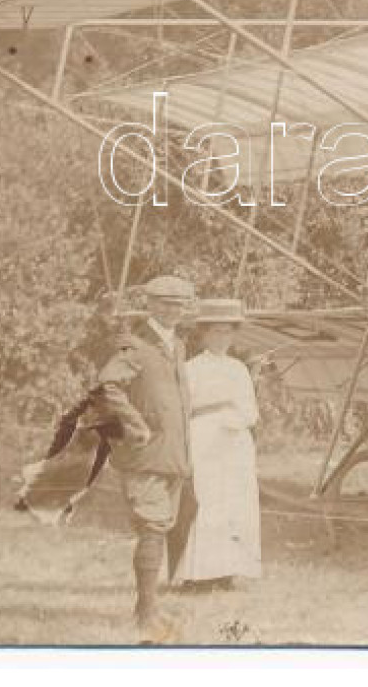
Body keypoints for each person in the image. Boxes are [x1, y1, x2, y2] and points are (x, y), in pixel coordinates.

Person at [93, 274, 195, 644]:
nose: (173, 310)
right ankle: (147, 612)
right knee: (152, 528)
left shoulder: (179, 346)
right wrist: (133, 422)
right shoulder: (133, 345)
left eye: (180, 304)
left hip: (173, 454)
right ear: (150, 304)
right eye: (165, 302)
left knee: (161, 526)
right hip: (146, 453)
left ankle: (147, 607)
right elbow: (108, 385)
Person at [172, 299, 262, 589]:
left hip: (235, 443)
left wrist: (237, 420)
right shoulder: (190, 368)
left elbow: (251, 410)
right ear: (203, 334)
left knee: (233, 505)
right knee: (205, 503)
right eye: (215, 332)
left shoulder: (239, 369)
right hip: (204, 439)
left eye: (227, 332)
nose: (221, 338)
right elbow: (183, 411)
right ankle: (197, 575)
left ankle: (226, 572)